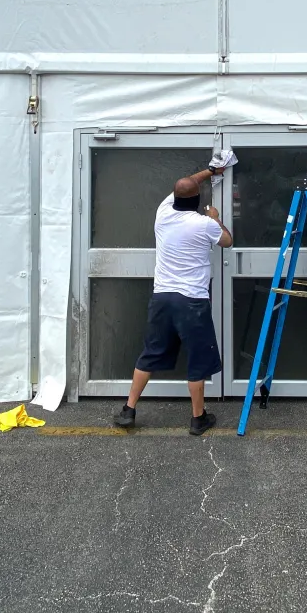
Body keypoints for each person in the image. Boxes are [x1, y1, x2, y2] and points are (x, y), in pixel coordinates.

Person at [113, 160, 233, 436]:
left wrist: (210, 172)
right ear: (198, 201)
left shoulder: (163, 212)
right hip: (192, 300)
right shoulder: (205, 224)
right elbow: (227, 241)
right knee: (198, 359)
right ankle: (197, 418)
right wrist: (215, 216)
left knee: (151, 352)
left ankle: (128, 410)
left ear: (176, 197)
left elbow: (187, 182)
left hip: (163, 298)